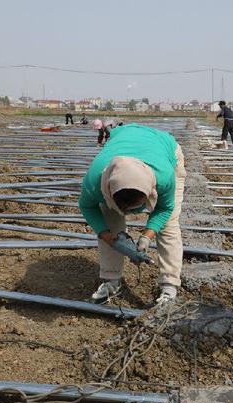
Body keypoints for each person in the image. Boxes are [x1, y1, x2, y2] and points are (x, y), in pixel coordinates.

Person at [78, 124, 186, 304]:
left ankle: (169, 284)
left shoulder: (164, 177)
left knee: (168, 224)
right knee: (108, 217)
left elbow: (165, 208)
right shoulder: (95, 179)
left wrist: (147, 236)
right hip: (125, 140)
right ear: (108, 190)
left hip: (165, 149)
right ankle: (111, 280)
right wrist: (109, 238)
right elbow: (87, 206)